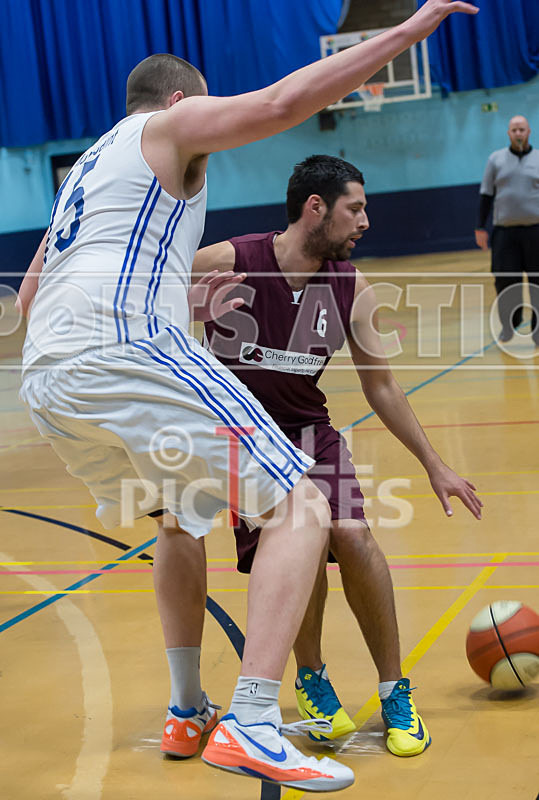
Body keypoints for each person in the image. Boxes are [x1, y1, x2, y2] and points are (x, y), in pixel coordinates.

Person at [16, 0, 479, 790]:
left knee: (177, 519)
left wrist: (172, 300)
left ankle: (187, 706)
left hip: (48, 377)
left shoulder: (89, 168)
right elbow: (278, 104)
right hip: (124, 350)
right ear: (178, 102)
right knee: (302, 501)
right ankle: (256, 720)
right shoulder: (168, 127)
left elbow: (31, 295)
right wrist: (401, 35)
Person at [196, 154, 483, 758]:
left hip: (308, 429)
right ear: (315, 208)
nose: (366, 221)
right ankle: (312, 679)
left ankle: (393, 690)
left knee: (353, 535)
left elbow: (382, 386)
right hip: (244, 440)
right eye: (356, 208)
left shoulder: (352, 286)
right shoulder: (228, 263)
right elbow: (150, 305)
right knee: (292, 549)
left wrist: (435, 464)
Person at [475, 115, 539, 344]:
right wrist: (480, 227)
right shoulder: (496, 160)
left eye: (522, 129)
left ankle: (537, 329)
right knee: (505, 281)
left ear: (529, 131)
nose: (518, 133)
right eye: (514, 130)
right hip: (505, 233)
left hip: (535, 232)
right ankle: (509, 326)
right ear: (508, 133)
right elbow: (486, 195)